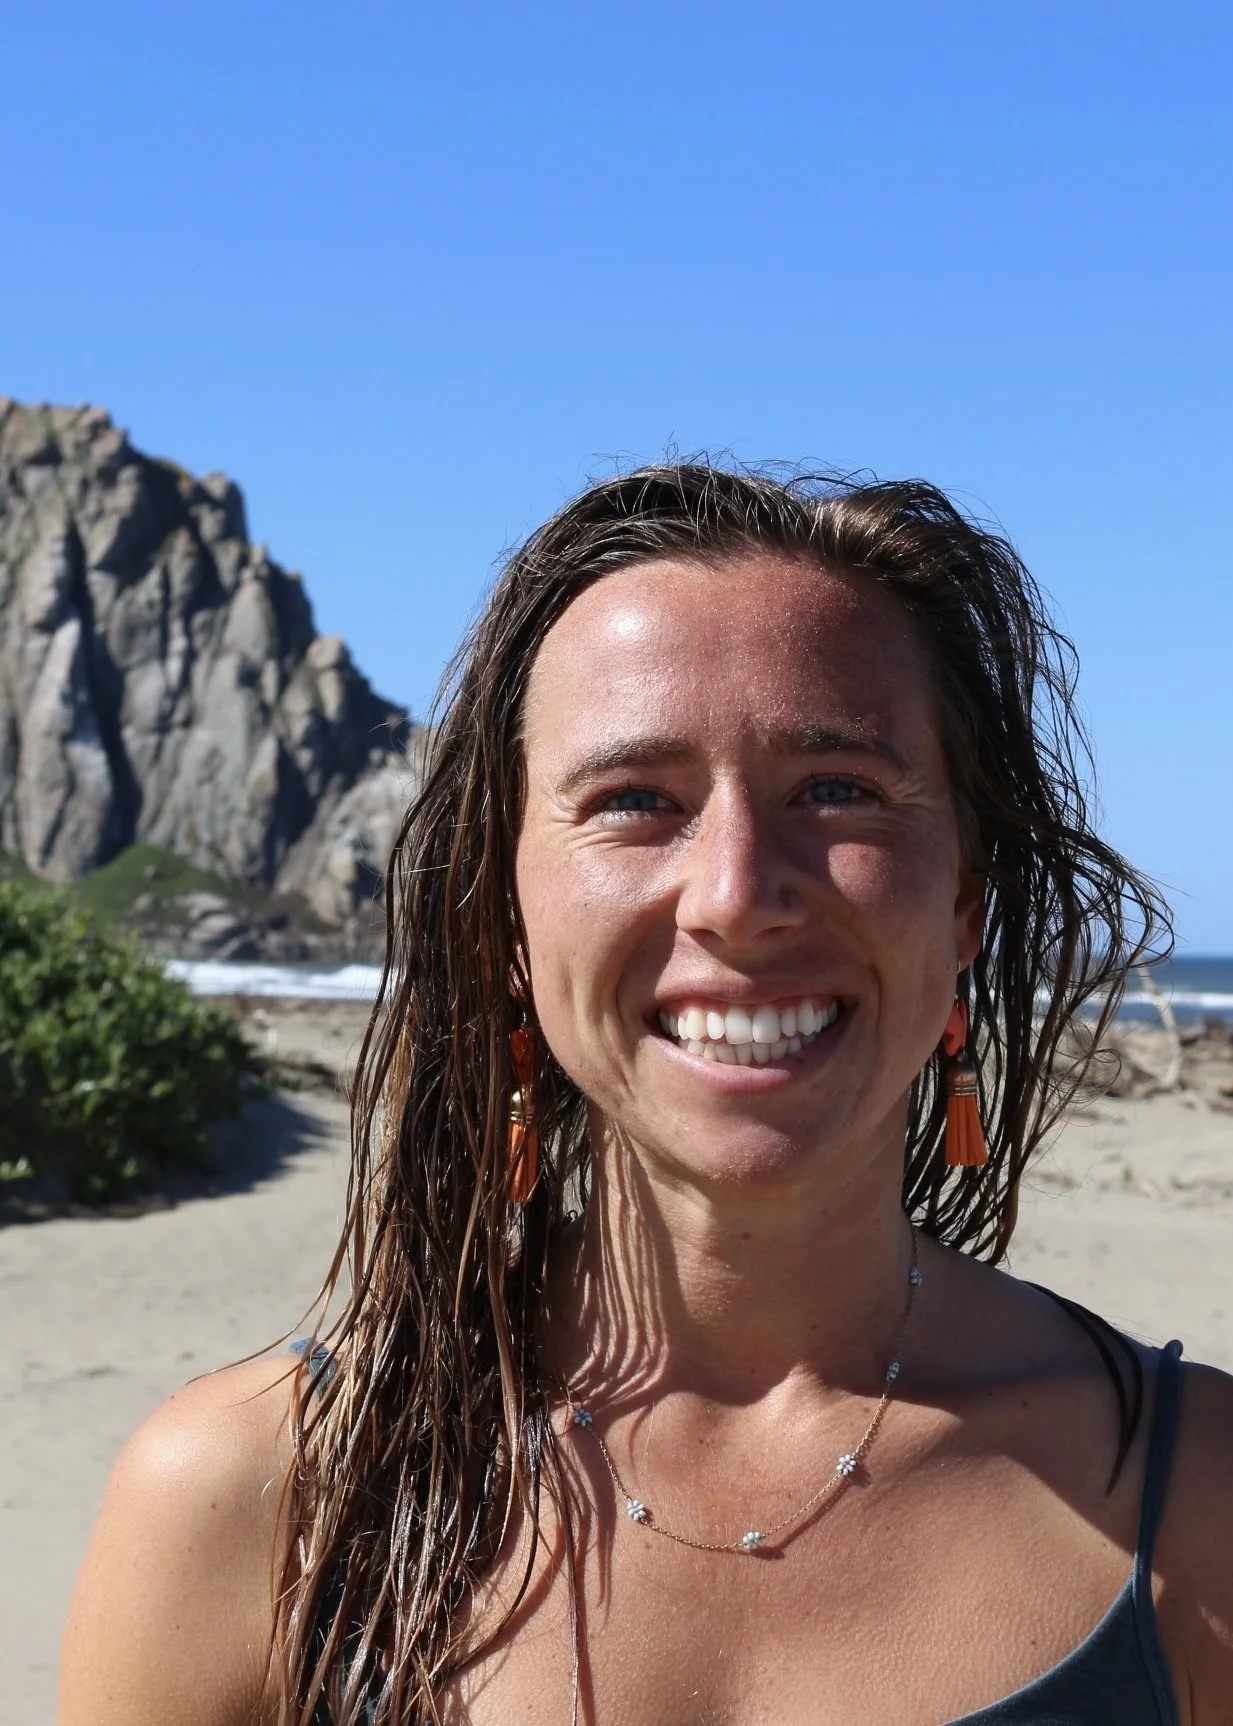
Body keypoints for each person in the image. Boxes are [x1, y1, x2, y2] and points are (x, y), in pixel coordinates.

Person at [59, 465, 1233, 1726]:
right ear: (506, 920)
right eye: (634, 802)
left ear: (963, 902)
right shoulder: (252, 1500)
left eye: (837, 788)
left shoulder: (1196, 1504)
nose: (736, 893)